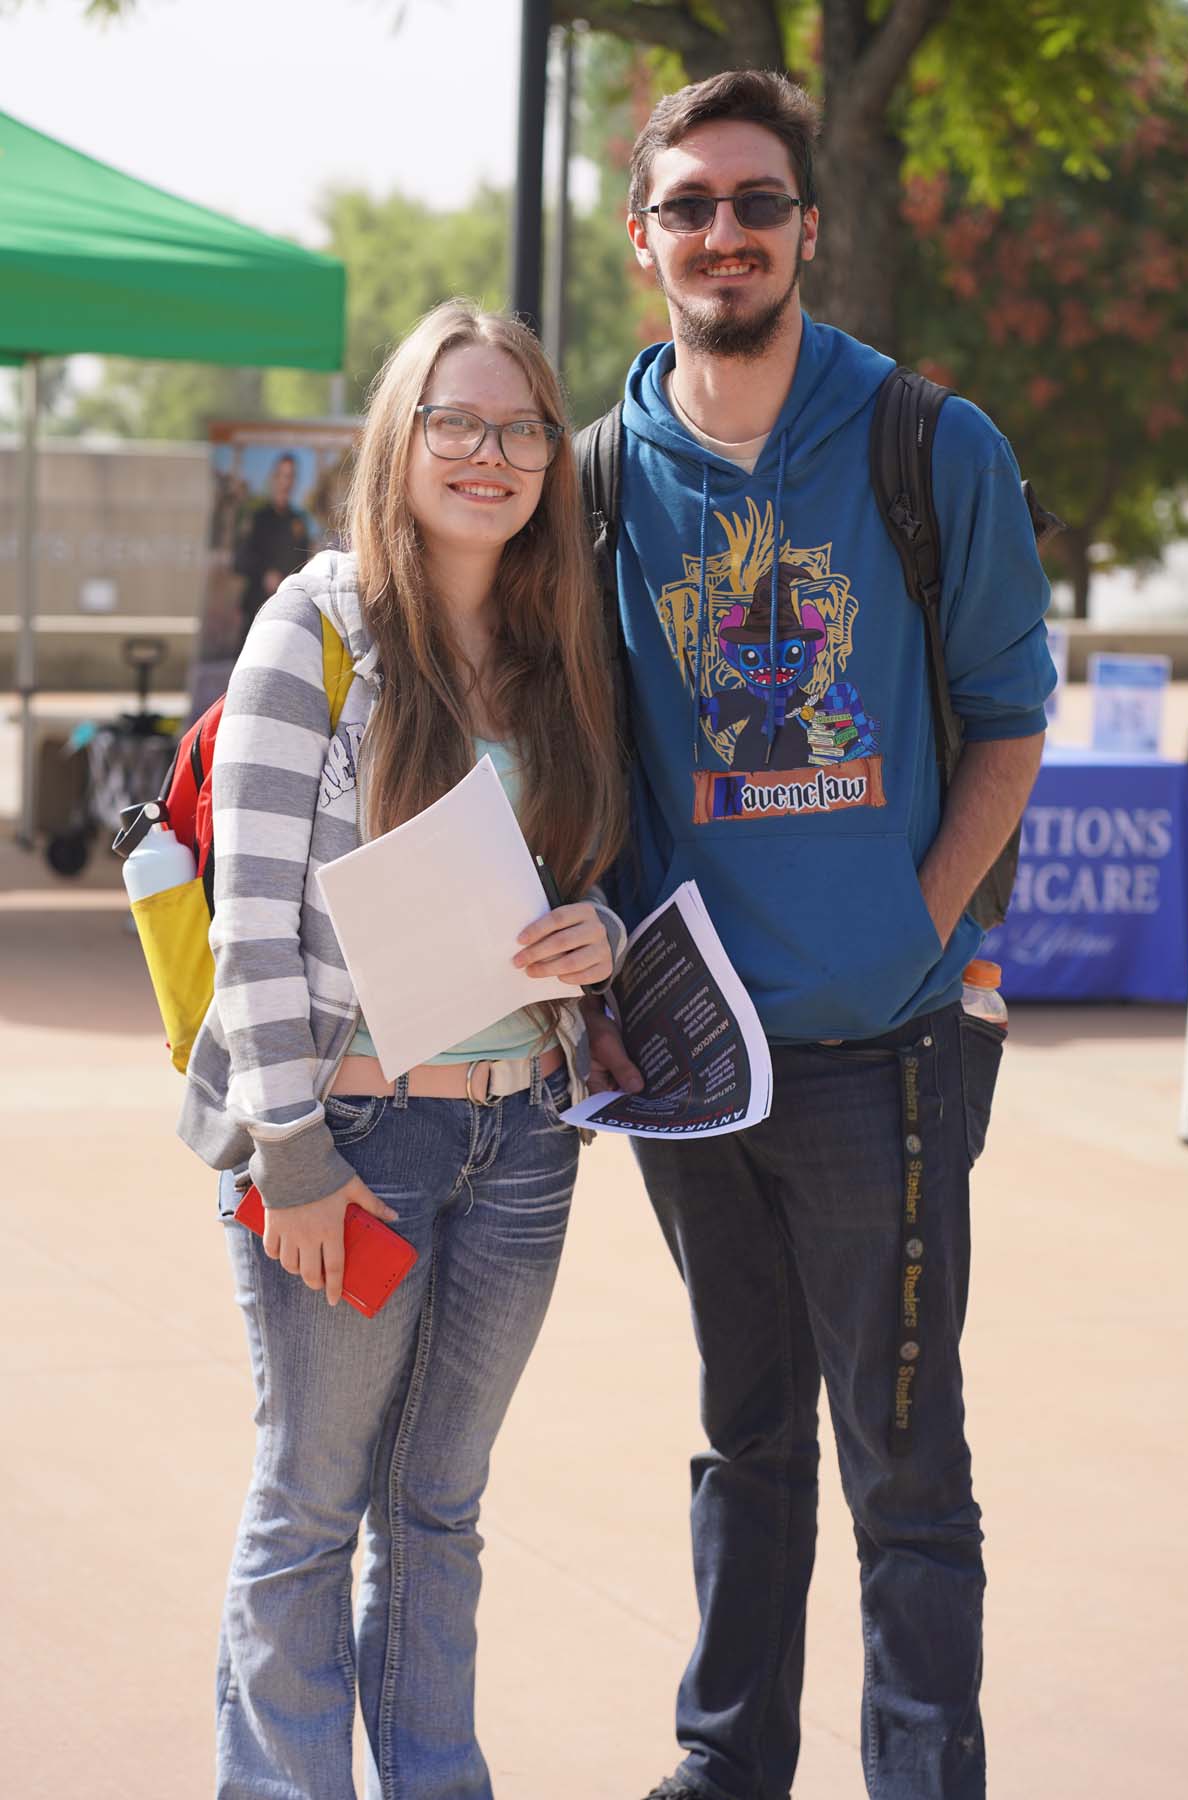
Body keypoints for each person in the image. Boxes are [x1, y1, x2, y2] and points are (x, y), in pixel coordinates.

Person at [580, 70, 1056, 1800]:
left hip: (888, 1057)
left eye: (756, 201)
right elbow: (565, 753)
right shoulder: (593, 483)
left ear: (806, 228)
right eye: (692, 204)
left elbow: (1009, 717)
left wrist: (905, 927)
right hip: (695, 1066)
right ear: (645, 241)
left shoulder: (933, 444)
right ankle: (727, 1767)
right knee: (744, 1437)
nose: (726, 231)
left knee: (905, 1466)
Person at [177, 300, 627, 1800]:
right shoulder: (315, 626)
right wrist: (290, 1157)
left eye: (520, 428)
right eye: (457, 421)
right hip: (351, 1144)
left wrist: (600, 934)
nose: (490, 454)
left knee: (440, 1508)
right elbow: (246, 913)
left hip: (523, 1140)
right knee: (312, 1505)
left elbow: (587, 872)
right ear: (400, 437)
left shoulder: (561, 639)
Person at [232, 450, 312, 633]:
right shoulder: (257, 518)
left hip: (287, 612)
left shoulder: (299, 521)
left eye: (291, 476)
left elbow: (303, 563)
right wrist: (264, 573)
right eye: (282, 475)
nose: (286, 482)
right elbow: (239, 560)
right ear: (274, 478)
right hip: (256, 609)